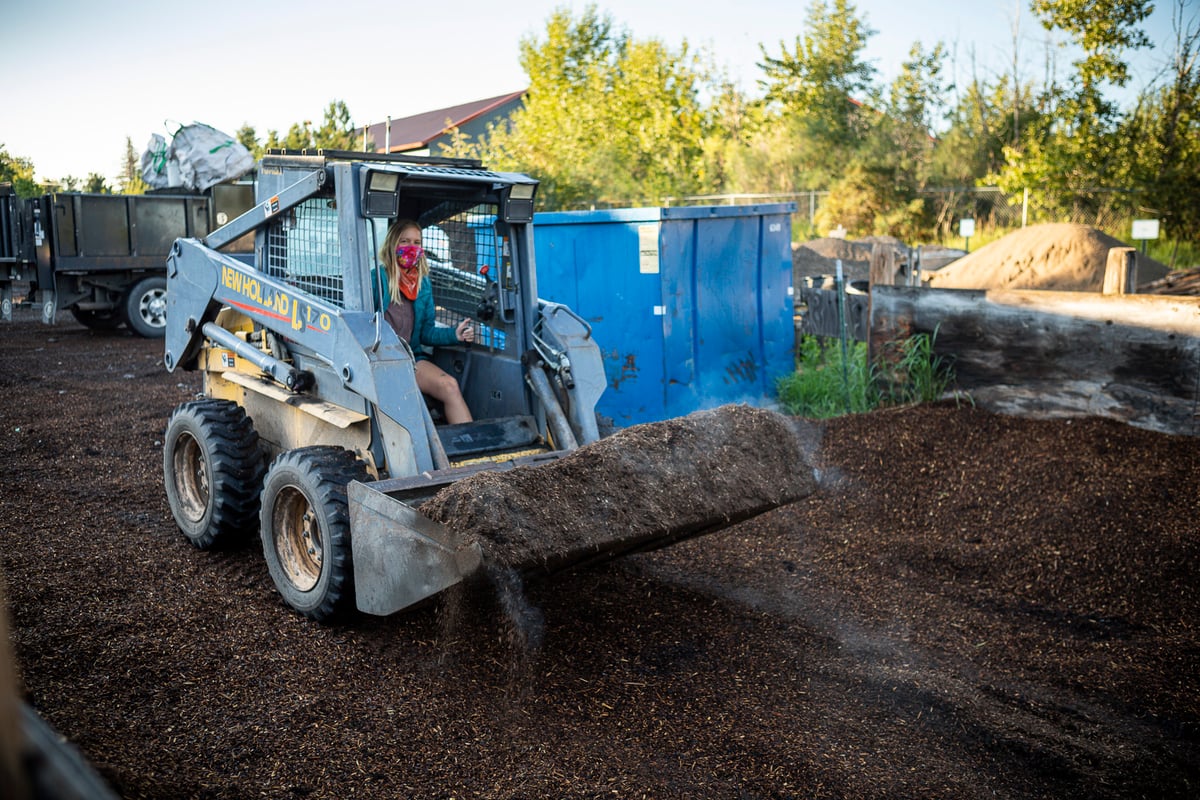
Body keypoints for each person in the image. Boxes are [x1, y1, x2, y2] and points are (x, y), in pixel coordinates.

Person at [377, 219, 475, 424]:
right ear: (392, 245)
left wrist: (454, 334)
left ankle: (475, 452)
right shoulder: (377, 279)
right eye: (404, 241)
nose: (411, 248)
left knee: (449, 386)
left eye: (416, 242)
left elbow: (426, 333)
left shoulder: (423, 284)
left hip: (411, 359)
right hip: (381, 362)